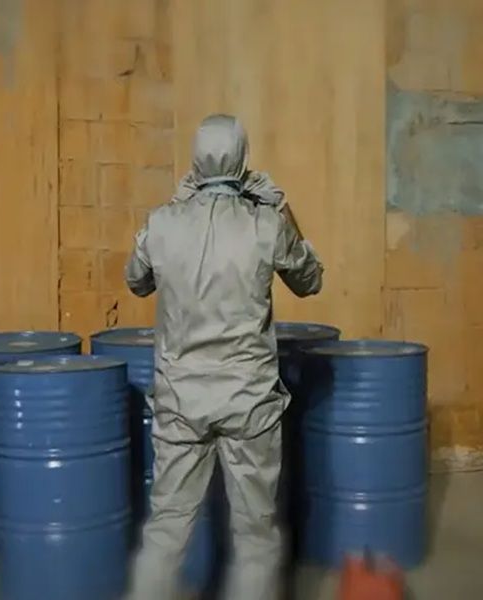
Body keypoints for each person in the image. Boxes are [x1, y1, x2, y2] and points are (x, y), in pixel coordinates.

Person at [124, 114, 323, 600]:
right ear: (244, 161)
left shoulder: (162, 223)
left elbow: (136, 280)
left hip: (180, 402)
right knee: (255, 538)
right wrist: (283, 209)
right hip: (248, 403)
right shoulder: (266, 225)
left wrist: (176, 207)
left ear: (194, 161)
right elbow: (310, 280)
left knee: (166, 530)